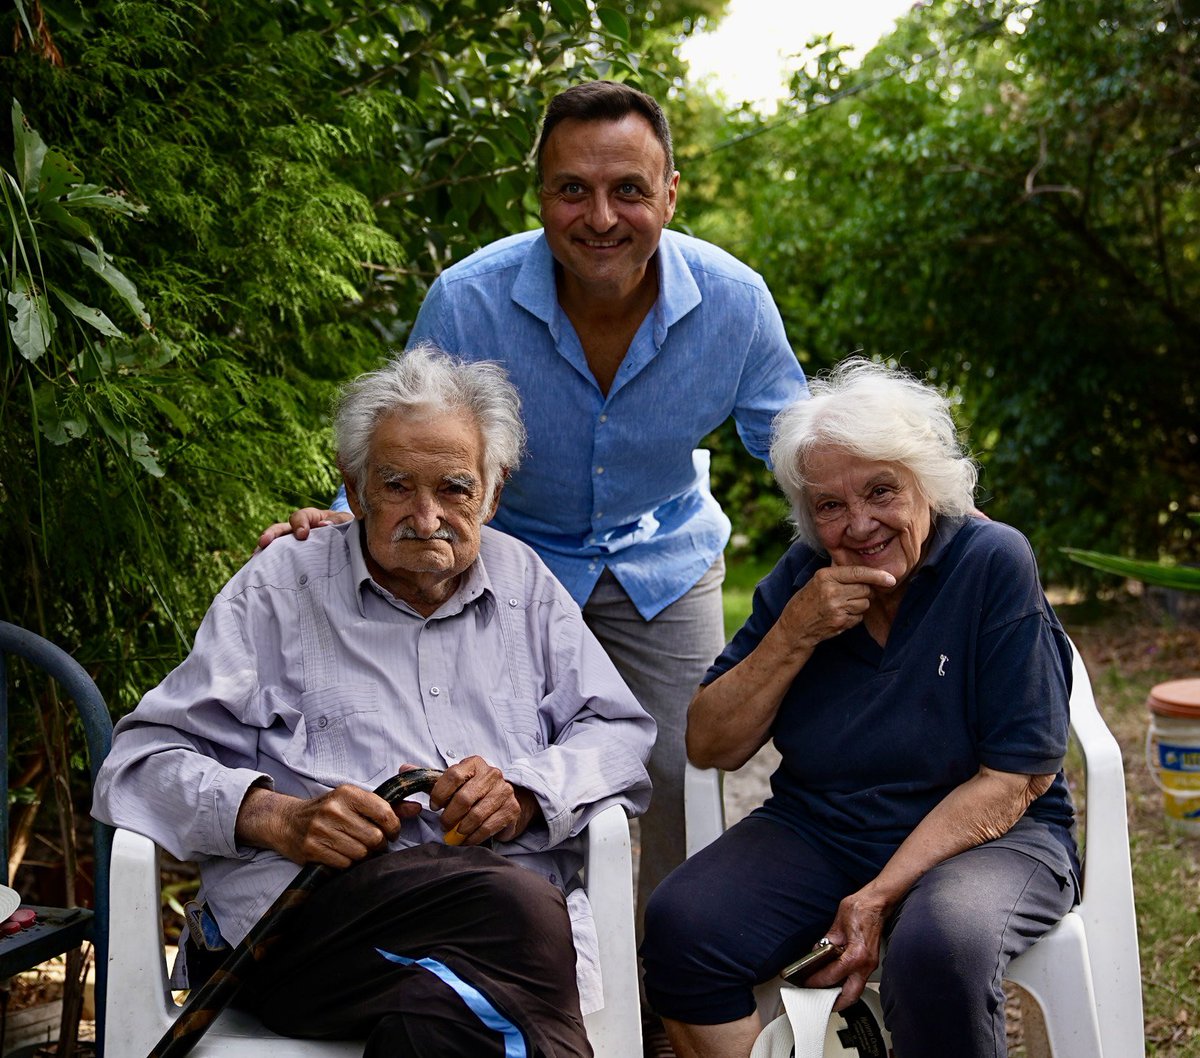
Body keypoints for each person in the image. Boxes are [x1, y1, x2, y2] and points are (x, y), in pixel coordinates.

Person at [259, 80, 809, 926]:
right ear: (541, 196)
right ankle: (538, 947)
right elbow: (412, 427)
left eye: (628, 188)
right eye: (572, 190)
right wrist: (345, 513)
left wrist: (900, 504)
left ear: (670, 193)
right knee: (497, 769)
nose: (600, 217)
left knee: (677, 768)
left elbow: (799, 448)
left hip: (662, 554)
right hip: (508, 558)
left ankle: (672, 980)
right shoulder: (471, 299)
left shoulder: (735, 302)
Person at [94, 345, 655, 1058]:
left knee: (437, 1019)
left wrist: (526, 794)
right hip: (308, 929)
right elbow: (138, 765)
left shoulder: (525, 583)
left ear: (493, 490)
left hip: (475, 951)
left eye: (454, 488)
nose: (427, 517)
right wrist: (278, 817)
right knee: (511, 905)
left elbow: (619, 731)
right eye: (396, 487)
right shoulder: (281, 588)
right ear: (354, 490)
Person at [639, 359, 1080, 1058]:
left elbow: (1018, 778)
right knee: (681, 928)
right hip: (824, 827)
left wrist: (877, 895)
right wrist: (795, 632)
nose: (859, 524)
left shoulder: (991, 561)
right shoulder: (802, 576)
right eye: (830, 506)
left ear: (926, 484)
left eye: (881, 491)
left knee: (941, 946)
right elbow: (709, 743)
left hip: (988, 840)